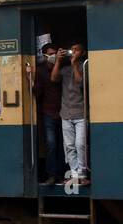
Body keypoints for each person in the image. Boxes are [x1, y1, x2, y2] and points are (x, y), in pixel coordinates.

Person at [53, 41, 89, 183]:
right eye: (71, 49)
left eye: (76, 50)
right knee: (69, 146)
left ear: (83, 53)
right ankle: (74, 175)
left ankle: (82, 174)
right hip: (66, 113)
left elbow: (81, 82)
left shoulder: (84, 66)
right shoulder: (65, 69)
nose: (73, 52)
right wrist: (57, 60)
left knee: (80, 144)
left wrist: (74, 64)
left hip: (81, 113)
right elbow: (54, 78)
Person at [30, 42, 63, 185]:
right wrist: (30, 79)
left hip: (64, 112)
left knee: (64, 145)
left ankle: (62, 174)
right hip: (48, 112)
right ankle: (52, 175)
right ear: (44, 56)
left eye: (54, 53)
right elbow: (37, 93)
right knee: (51, 144)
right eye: (50, 54)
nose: (53, 56)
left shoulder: (63, 68)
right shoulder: (41, 71)